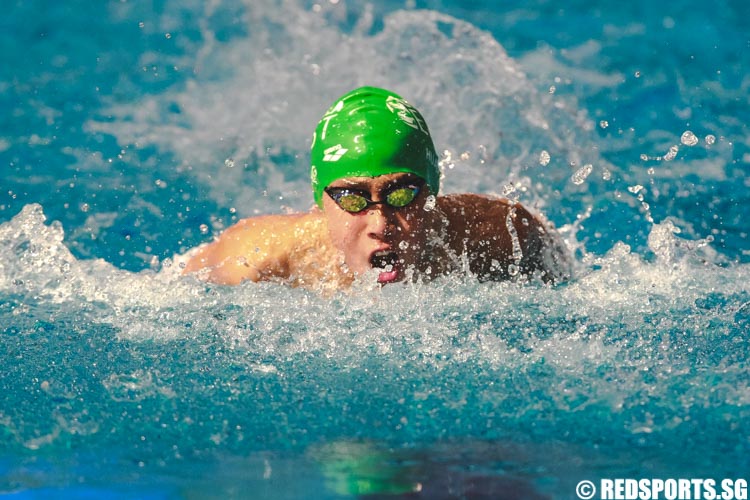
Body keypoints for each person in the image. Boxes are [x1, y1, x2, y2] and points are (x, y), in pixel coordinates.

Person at [183, 86, 570, 289]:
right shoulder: (258, 256)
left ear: (432, 194)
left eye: (401, 195)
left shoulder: (499, 235)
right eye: (352, 198)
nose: (380, 224)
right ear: (320, 201)